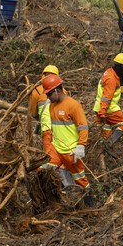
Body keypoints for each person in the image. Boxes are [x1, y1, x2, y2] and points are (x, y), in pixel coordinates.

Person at [39, 74, 94, 207]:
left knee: (80, 179)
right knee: (42, 170)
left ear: (57, 91)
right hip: (56, 150)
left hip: (71, 152)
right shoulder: (51, 106)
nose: (47, 97)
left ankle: (90, 206)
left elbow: (83, 127)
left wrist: (81, 146)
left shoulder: (73, 105)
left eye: (49, 94)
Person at [93, 53, 123, 145]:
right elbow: (106, 97)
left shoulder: (109, 72)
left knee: (106, 127)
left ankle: (102, 144)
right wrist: (103, 113)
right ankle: (109, 144)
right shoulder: (112, 79)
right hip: (109, 109)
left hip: (99, 107)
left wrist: (101, 111)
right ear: (122, 67)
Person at [29, 64, 59, 136]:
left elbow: (33, 112)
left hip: (46, 129)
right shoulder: (63, 91)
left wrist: (40, 118)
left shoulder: (37, 90)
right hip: (60, 129)